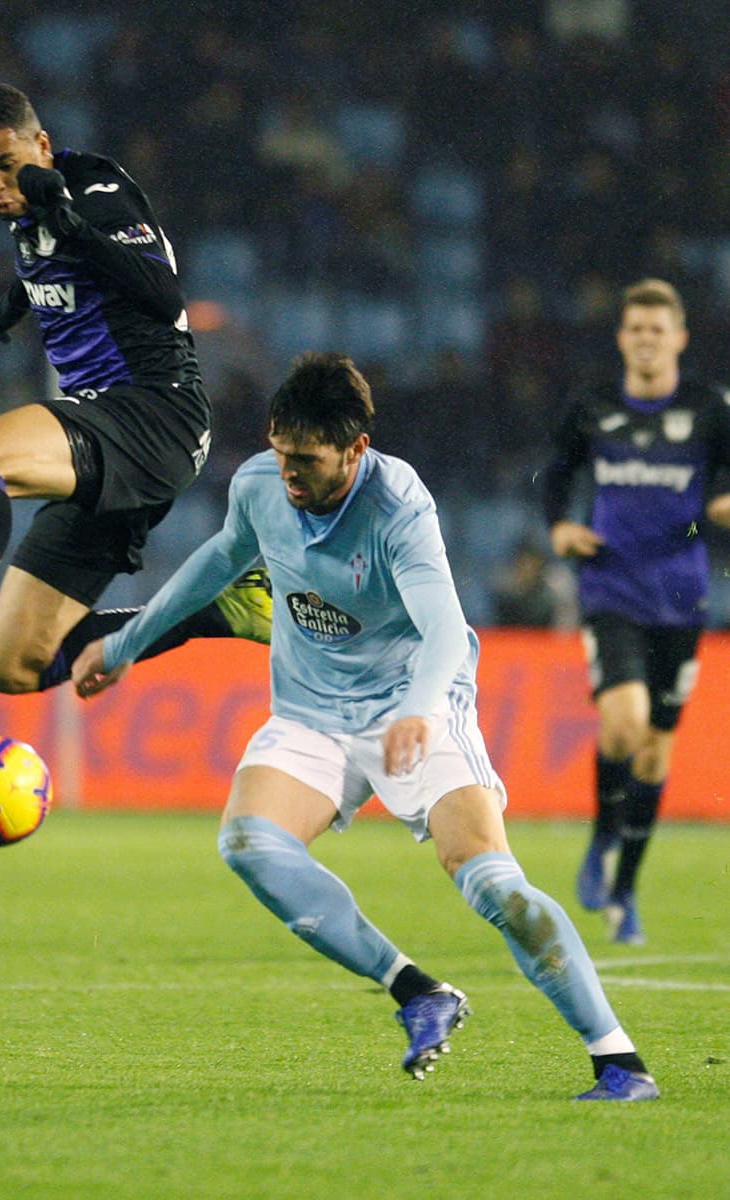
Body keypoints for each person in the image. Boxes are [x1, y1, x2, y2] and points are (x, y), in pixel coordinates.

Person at [72, 351, 659, 1101]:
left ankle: (618, 1062)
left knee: (492, 885)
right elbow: (220, 559)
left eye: (307, 460)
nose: (289, 472)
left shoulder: (398, 505)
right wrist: (126, 646)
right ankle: (418, 991)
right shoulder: (261, 483)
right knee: (249, 843)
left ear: (355, 449)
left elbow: (446, 627)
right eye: (281, 452)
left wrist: (417, 713)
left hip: (414, 705)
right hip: (313, 712)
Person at [0, 83, 271, 694]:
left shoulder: (93, 190)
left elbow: (162, 297)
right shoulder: (32, 208)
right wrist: (19, 297)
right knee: (13, 667)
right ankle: (219, 609)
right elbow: (67, 264)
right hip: (118, 444)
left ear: (43, 145)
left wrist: (70, 224)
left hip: (152, 410)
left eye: (7, 165)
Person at [543, 278, 730, 943]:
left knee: (655, 750)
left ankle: (626, 888)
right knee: (625, 723)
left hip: (681, 590)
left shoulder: (709, 408)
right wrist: (561, 527)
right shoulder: (592, 406)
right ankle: (601, 838)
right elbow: (558, 472)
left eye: (660, 329)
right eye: (637, 329)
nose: (648, 339)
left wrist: (721, 504)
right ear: (623, 337)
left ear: (679, 337)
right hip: (611, 583)